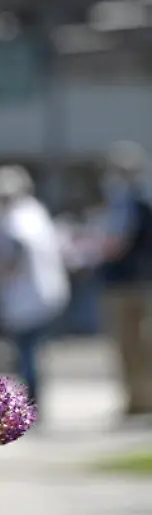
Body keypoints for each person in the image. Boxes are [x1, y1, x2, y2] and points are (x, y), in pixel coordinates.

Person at [0, 165, 70, 411]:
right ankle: (31, 403)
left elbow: (15, 252)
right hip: (40, 295)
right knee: (30, 353)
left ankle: (30, 405)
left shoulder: (15, 218)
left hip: (27, 299)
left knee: (26, 354)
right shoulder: (33, 212)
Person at [98, 142, 152, 420]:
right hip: (132, 283)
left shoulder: (135, 205)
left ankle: (141, 400)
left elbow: (117, 245)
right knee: (131, 347)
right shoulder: (130, 204)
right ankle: (136, 399)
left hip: (129, 285)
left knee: (134, 345)